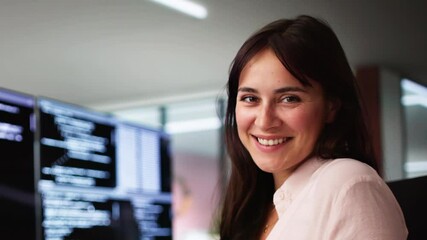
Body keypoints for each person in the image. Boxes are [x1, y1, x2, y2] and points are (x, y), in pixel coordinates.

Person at [219, 15, 408, 240]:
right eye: (250, 98)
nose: (264, 121)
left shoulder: (348, 184)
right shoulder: (256, 206)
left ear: (331, 107)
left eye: (289, 99)